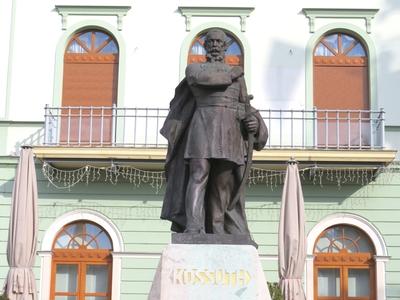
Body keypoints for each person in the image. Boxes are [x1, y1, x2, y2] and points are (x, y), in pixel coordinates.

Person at [160, 28, 268, 235]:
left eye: (219, 42)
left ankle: (218, 230)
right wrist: (232, 73)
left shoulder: (239, 77)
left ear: (226, 47)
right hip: (202, 126)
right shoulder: (195, 69)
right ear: (205, 46)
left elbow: (245, 107)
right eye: (211, 42)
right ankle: (193, 227)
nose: (215, 45)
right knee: (198, 175)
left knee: (222, 185)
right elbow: (204, 80)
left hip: (230, 133)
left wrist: (254, 123)